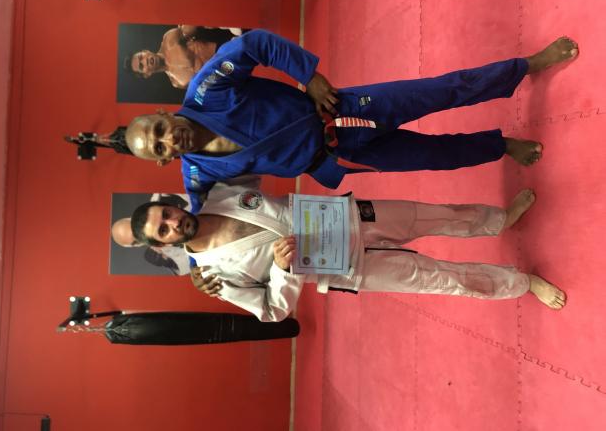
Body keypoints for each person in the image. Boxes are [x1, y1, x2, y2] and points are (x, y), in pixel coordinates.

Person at [123, 30, 579, 212]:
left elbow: (254, 44)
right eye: (160, 148)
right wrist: (196, 263)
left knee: (442, 90)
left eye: (159, 129)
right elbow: (195, 215)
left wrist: (310, 76)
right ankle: (500, 146)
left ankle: (525, 66)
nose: (169, 139)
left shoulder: (205, 91)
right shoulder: (197, 174)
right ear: (164, 161)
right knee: (433, 156)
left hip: (338, 108)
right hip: (337, 157)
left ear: (163, 113)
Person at [130, 180, 566, 322]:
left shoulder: (218, 194)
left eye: (166, 214)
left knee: (438, 215)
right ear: (163, 245)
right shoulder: (213, 275)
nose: (173, 223)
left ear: (171, 204)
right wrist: (281, 269)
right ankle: (521, 283)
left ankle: (499, 220)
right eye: (163, 231)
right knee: (440, 279)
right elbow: (272, 311)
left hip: (348, 218)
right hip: (345, 268)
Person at [125, 25, 240, 89]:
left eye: (141, 57)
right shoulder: (178, 82)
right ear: (147, 74)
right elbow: (205, 85)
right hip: (228, 70)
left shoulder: (169, 41)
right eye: (141, 66)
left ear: (145, 51)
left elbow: (193, 24)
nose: (145, 61)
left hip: (226, 47)